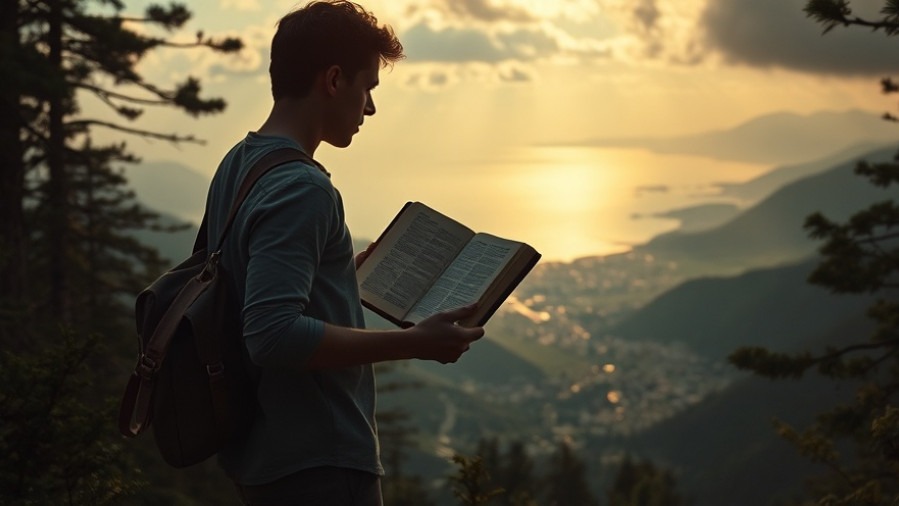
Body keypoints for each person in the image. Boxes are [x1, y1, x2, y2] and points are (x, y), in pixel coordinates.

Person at [205, 1, 485, 505]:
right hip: (319, 463)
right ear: (334, 80)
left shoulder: (240, 163)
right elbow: (271, 336)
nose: (370, 108)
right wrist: (414, 342)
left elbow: (243, 286)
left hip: (264, 454)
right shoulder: (302, 188)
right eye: (368, 88)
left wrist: (334, 278)